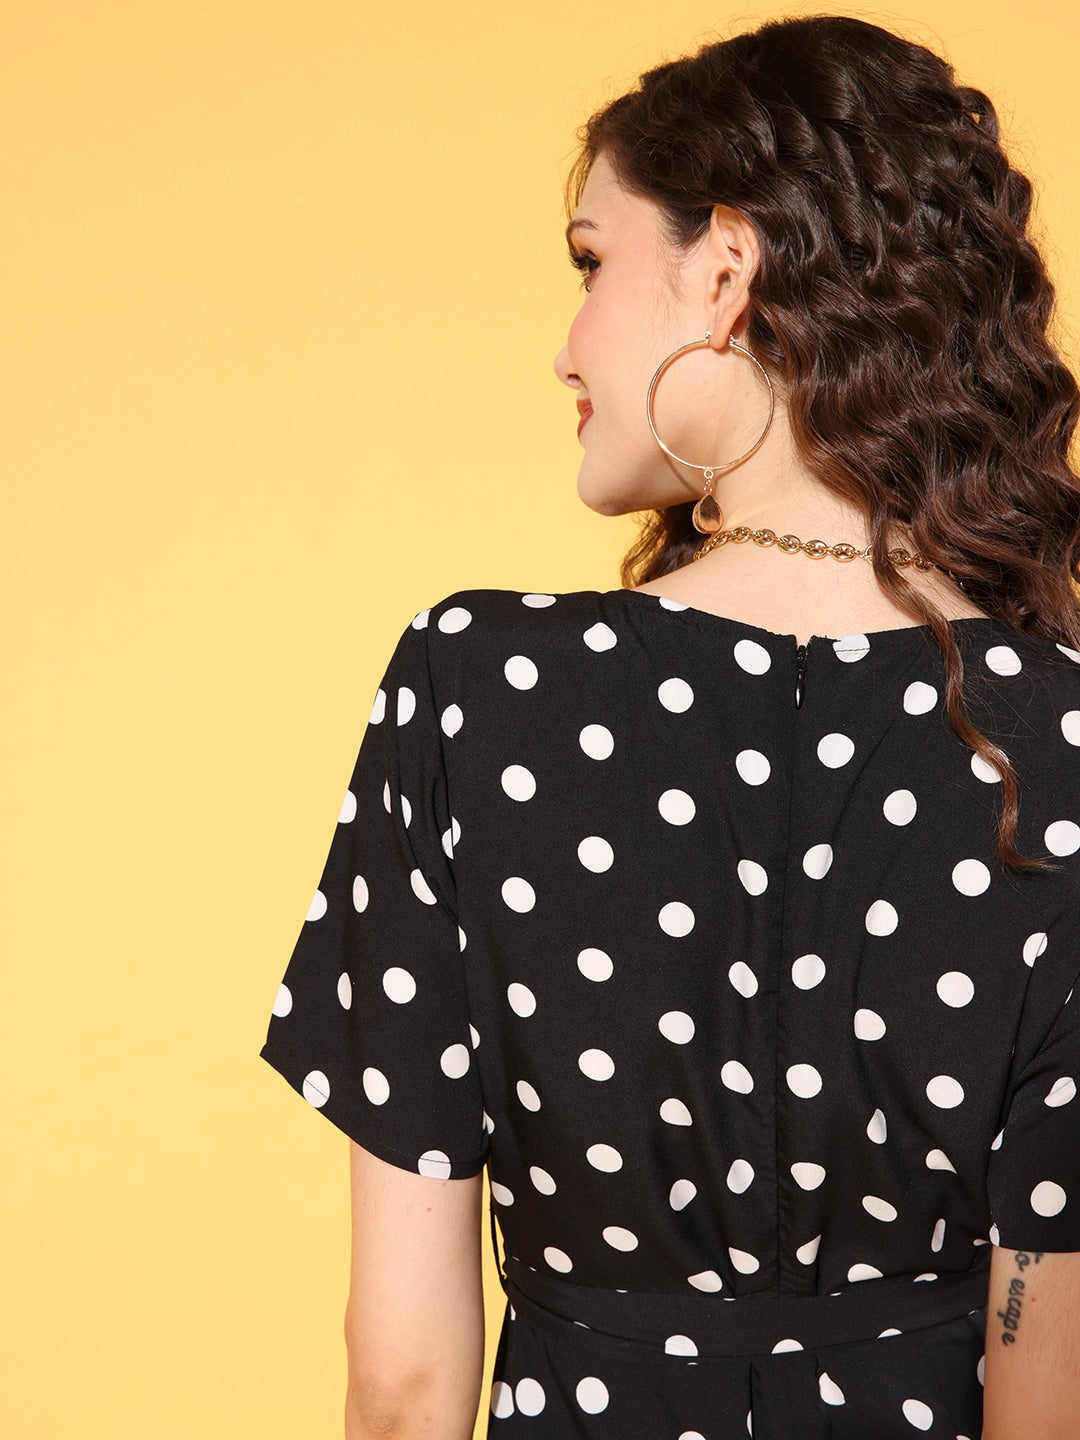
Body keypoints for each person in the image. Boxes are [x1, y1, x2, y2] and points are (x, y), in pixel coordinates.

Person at [260, 15, 1080, 1438]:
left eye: (591, 262)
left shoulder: (479, 689)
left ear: (724, 270)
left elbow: (402, 1386)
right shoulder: (1057, 739)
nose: (565, 345)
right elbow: (1048, 1386)